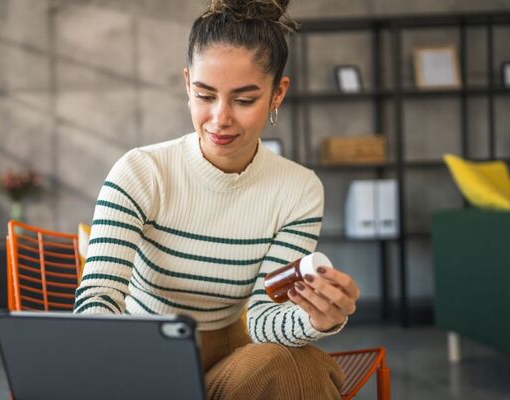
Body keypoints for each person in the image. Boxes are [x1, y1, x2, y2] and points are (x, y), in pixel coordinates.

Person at [74, 0, 360, 398]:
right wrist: (114, 363)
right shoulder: (140, 172)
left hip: (232, 362)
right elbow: (98, 297)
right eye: (205, 95)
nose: (220, 119)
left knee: (300, 365)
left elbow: (263, 321)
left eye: (244, 100)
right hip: (143, 358)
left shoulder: (298, 190)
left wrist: (318, 320)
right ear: (187, 83)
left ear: (278, 93)